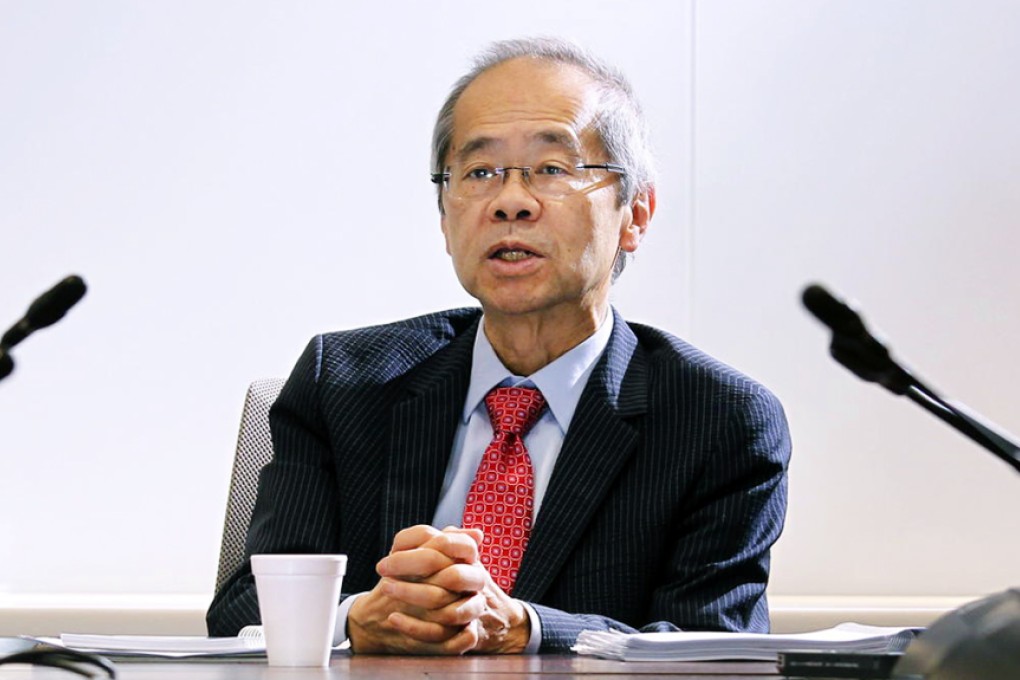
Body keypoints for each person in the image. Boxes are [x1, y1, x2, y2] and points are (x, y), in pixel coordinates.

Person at [207, 36, 791, 655]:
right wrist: (355, 617)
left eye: (553, 169)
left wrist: (529, 629)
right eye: (480, 172)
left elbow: (712, 650)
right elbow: (243, 607)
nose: (511, 201)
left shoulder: (719, 419)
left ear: (635, 215)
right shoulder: (344, 382)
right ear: (444, 216)